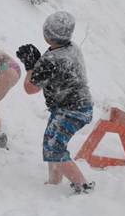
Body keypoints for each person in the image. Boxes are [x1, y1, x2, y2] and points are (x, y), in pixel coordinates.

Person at [16, 11, 95, 195]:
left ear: (47, 34)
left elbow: (30, 88)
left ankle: (82, 186)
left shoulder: (51, 59)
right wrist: (38, 65)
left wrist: (30, 66)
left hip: (71, 110)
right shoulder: (71, 47)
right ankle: (54, 183)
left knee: (54, 147)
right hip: (76, 106)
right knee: (51, 145)